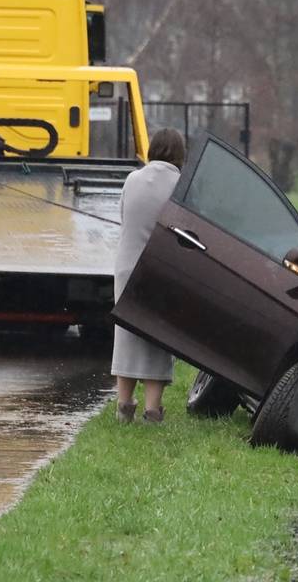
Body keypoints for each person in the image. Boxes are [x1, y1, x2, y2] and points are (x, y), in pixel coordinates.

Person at [112, 128, 187, 423]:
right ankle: (153, 410)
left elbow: (123, 216)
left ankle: (124, 405)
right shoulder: (181, 186)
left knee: (126, 335)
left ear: (153, 149)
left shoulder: (133, 179)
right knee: (157, 338)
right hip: (161, 270)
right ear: (181, 154)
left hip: (127, 268)